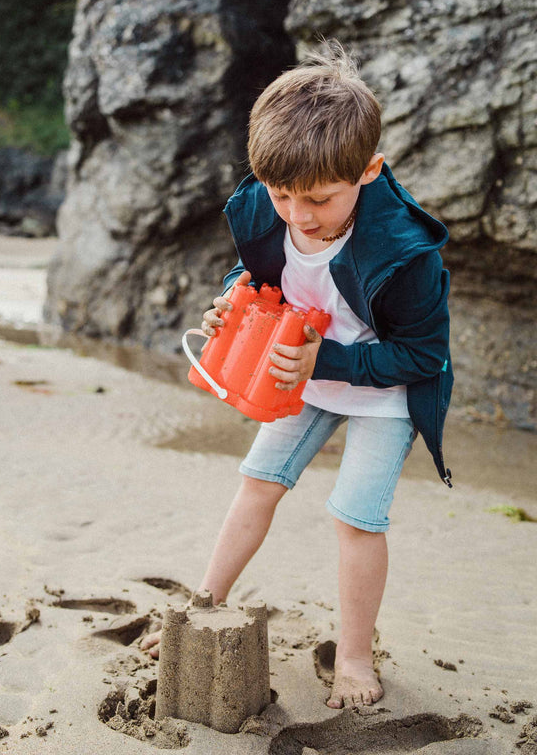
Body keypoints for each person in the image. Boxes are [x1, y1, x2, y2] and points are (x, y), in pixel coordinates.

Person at [141, 40, 453, 709]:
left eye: (318, 199)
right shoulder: (264, 204)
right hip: (302, 373)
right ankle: (204, 600)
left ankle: (355, 658)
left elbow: (423, 356)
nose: (299, 215)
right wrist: (235, 292)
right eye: (283, 195)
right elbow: (263, 268)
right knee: (258, 482)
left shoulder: (407, 253)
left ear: (368, 171)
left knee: (356, 518)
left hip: (386, 389)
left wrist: (328, 360)